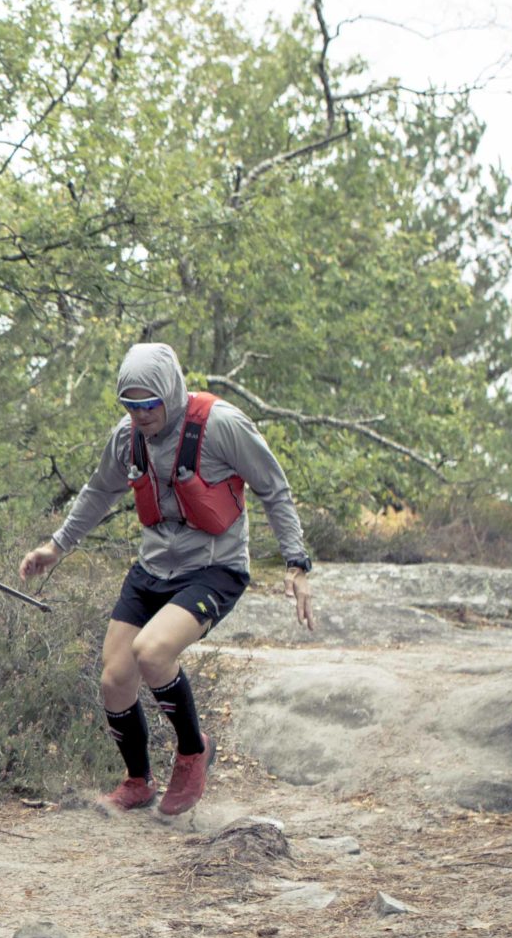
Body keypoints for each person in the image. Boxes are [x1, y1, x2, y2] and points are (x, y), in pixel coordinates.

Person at [18, 342, 315, 816]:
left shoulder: (222, 425)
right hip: (153, 568)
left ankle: (194, 751)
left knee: (153, 652)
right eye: (130, 405)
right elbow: (99, 491)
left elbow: (273, 489)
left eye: (149, 405)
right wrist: (55, 547)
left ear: (170, 393)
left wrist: (296, 563)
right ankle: (138, 781)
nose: (140, 415)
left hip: (214, 569)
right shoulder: (127, 437)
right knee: (115, 679)